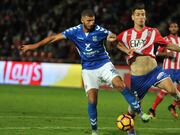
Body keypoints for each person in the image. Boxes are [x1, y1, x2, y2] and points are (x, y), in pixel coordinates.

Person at [21, 9, 151, 135]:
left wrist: (125, 50)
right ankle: (94, 131)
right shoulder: (74, 31)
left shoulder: (100, 30)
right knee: (92, 99)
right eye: (88, 21)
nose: (91, 23)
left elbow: (114, 39)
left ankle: (140, 113)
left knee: (120, 84)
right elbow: (53, 38)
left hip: (104, 64)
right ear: (82, 20)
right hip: (88, 69)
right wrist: (33, 46)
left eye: (93, 20)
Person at [116, 4, 180, 135]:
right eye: (138, 14)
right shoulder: (125, 34)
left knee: (175, 92)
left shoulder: (153, 32)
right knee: (133, 109)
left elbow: (168, 45)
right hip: (138, 78)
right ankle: (131, 130)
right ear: (133, 17)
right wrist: (126, 50)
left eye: (143, 14)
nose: (141, 17)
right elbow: (114, 42)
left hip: (154, 71)